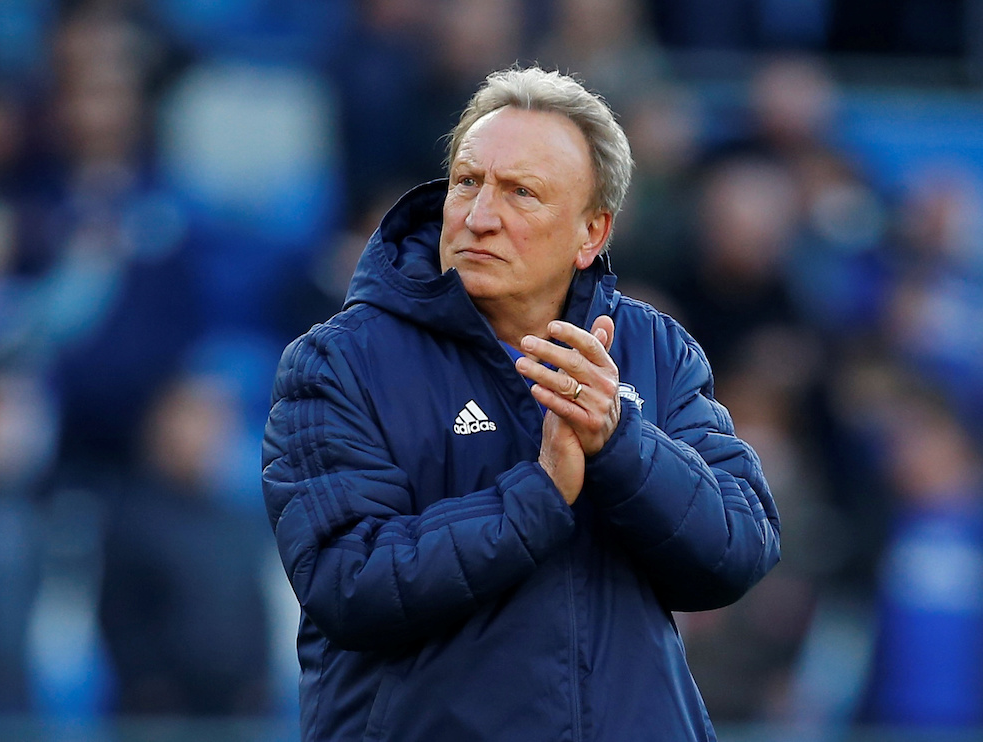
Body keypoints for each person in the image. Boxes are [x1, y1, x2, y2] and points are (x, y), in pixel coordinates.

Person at [262, 65, 781, 741]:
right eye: (468, 182)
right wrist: (535, 497)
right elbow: (347, 580)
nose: (480, 217)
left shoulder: (654, 349)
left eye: (521, 193)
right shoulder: (338, 361)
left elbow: (739, 549)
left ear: (591, 233)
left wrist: (619, 442)